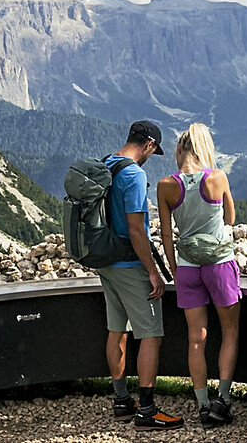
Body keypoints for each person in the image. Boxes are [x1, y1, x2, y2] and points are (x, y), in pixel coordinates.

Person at [99, 120, 183, 430]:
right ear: (148, 145)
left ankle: (121, 401)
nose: (152, 156)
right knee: (150, 334)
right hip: (129, 265)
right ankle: (146, 411)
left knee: (116, 329)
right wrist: (153, 272)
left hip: (105, 262)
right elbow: (136, 230)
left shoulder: (106, 163)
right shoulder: (134, 174)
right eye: (153, 150)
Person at [156, 123, 241, 428]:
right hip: (219, 264)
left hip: (187, 266)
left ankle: (203, 407)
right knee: (229, 331)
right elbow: (230, 218)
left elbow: (166, 233)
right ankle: (224, 401)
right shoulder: (217, 177)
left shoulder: (166, 184)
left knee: (196, 339)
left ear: (179, 150)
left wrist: (175, 269)